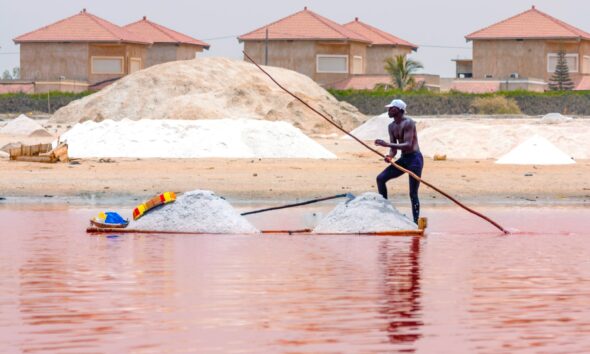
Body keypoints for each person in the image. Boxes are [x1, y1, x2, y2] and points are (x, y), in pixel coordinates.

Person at [374, 99, 423, 223]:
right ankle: (385, 211)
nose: (388, 111)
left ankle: (416, 222)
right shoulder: (391, 126)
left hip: (415, 159)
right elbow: (394, 149)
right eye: (389, 108)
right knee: (380, 178)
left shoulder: (409, 123)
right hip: (404, 159)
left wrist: (385, 144)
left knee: (413, 193)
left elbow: (407, 144)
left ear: (399, 110)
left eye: (391, 108)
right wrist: (390, 156)